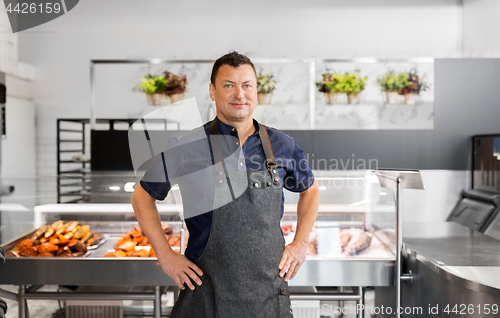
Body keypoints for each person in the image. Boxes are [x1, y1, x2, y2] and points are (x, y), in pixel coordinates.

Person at [131, 51, 319, 318]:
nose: (239, 94)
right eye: (228, 85)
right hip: (206, 295)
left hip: (267, 296)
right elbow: (141, 197)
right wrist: (166, 256)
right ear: (212, 90)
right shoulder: (186, 147)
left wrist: (300, 243)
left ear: (256, 91)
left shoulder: (283, 145)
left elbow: (310, 190)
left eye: (247, 85)